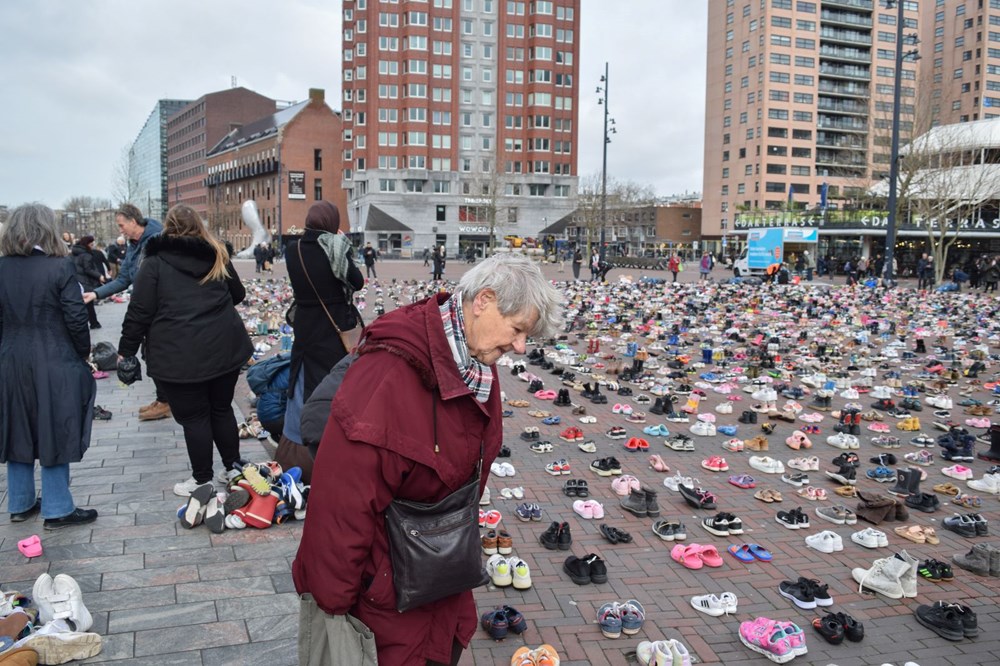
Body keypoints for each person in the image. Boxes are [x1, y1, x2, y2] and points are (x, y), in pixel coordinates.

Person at [292, 253, 561, 666]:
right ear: (483, 301)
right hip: (386, 597)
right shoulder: (392, 374)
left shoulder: (473, 367)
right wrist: (333, 601)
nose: (520, 346)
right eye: (518, 329)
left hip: (438, 581)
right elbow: (341, 503)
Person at [117, 204, 253, 497]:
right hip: (223, 349)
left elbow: (139, 310)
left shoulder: (154, 262)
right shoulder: (217, 254)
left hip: (178, 355)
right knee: (221, 409)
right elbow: (238, 294)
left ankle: (202, 479)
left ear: (168, 228)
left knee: (195, 417)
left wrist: (126, 350)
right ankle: (233, 467)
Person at [0, 203, 98, 529]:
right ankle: (57, 507)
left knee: (17, 426)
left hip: (10, 359)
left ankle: (20, 502)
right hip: (54, 357)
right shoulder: (59, 267)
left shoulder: (1, 268)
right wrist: (83, 353)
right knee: (55, 427)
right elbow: (75, 316)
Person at [280, 201, 364, 476]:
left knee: (305, 384)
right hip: (335, 328)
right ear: (331, 222)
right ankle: (335, 444)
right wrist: (342, 245)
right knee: (338, 383)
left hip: (306, 327)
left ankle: (298, 447)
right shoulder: (336, 248)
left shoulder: (294, 250)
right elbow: (357, 281)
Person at [84, 204, 170, 421]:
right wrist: (96, 294)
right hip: (146, 304)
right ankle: (163, 398)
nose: (120, 229)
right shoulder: (134, 244)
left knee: (156, 353)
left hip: (159, 307)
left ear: (133, 221)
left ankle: (167, 400)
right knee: (149, 352)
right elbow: (124, 279)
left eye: (122, 225)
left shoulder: (156, 240)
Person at [71, 235, 104, 329]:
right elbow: (88, 269)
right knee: (88, 303)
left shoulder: (73, 253)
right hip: (84, 281)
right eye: (91, 244)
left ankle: (87, 322)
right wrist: (99, 276)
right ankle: (94, 323)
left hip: (75, 280)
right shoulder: (86, 255)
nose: (92, 246)